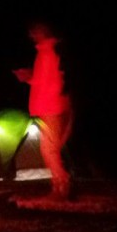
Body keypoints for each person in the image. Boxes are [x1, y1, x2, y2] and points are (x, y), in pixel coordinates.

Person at [13, 20, 73, 200]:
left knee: (49, 150)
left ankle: (63, 186)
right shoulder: (45, 52)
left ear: (42, 32)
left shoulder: (49, 53)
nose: (32, 35)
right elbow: (44, 81)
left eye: (35, 32)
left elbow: (53, 82)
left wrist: (30, 79)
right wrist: (29, 77)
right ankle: (60, 187)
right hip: (49, 107)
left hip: (51, 107)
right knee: (48, 149)